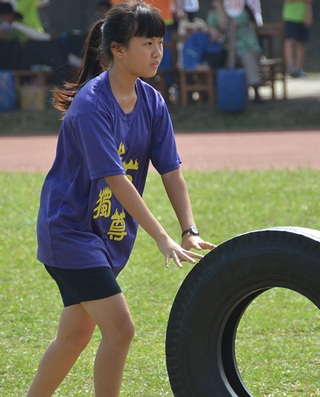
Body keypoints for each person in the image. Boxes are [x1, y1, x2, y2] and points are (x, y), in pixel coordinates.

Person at [27, 2, 216, 396]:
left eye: (160, 42)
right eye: (147, 42)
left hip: (104, 234)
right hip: (70, 231)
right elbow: (115, 179)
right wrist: (161, 237)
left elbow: (171, 171)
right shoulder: (92, 105)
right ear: (117, 49)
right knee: (120, 330)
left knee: (75, 335)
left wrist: (188, 229)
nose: (157, 52)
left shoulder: (152, 102)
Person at [207, 0, 265, 102]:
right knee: (223, 62)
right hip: (227, 51)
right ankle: (226, 95)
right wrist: (212, 29)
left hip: (247, 47)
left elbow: (226, 26)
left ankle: (256, 91)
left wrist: (220, 8)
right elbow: (210, 24)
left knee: (247, 58)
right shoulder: (213, 13)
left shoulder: (240, 11)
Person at [283, 0, 313, 78]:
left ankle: (298, 70)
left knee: (302, 43)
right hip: (290, 17)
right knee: (290, 41)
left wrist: (309, 15)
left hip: (303, 17)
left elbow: (309, 2)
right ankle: (290, 68)